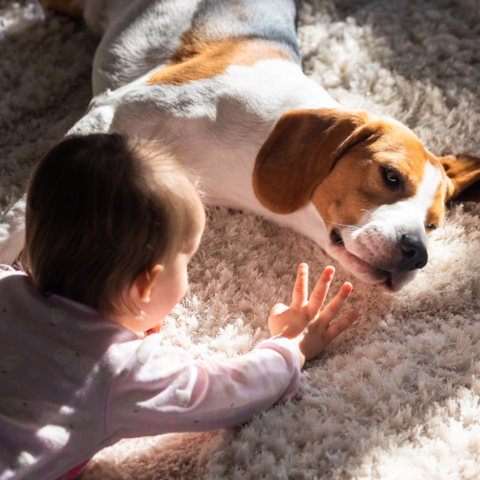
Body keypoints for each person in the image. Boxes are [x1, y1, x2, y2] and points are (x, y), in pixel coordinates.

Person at [0, 134, 358, 480]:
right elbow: (228, 392)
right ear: (146, 285)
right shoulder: (119, 370)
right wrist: (290, 347)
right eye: (184, 261)